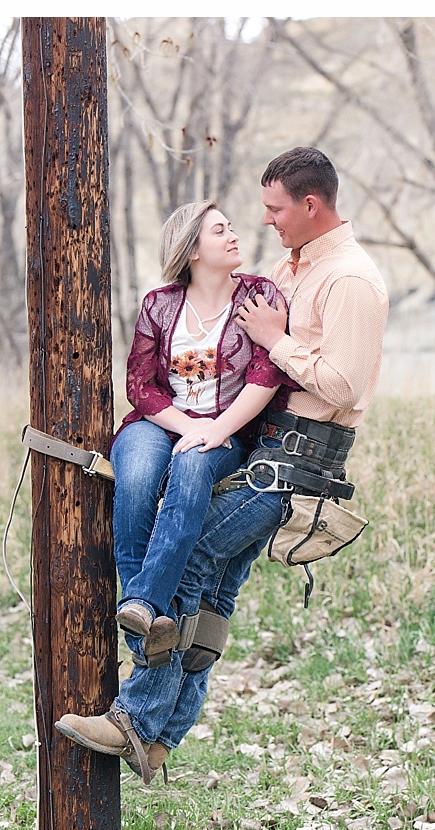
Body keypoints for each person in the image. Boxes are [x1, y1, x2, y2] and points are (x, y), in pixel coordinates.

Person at [57, 146, 387, 782]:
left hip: (296, 460)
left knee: (185, 564)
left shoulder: (348, 279)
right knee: (211, 591)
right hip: (263, 449)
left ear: (310, 205)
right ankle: (161, 738)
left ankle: (135, 722)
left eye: (274, 208)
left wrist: (275, 341)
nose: (263, 221)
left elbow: (343, 383)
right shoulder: (291, 272)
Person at [105, 201, 286, 670]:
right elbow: (139, 386)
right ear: (192, 251)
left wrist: (217, 430)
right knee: (139, 476)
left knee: (192, 465)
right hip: (160, 423)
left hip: (226, 436)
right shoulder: (160, 305)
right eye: (219, 230)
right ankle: (146, 622)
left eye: (230, 227)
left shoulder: (259, 297)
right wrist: (190, 426)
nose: (233, 236)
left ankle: (142, 604)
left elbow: (267, 375)